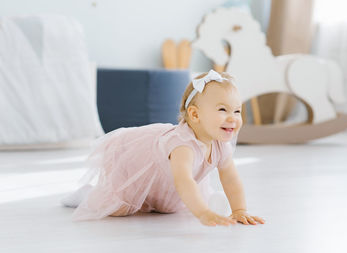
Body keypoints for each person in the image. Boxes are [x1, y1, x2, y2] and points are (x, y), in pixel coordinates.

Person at [62, 70, 265, 226]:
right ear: (195, 115)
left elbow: (230, 178)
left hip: (165, 184)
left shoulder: (221, 145)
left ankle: (207, 200)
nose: (233, 118)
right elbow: (183, 179)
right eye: (223, 110)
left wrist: (239, 210)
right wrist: (202, 213)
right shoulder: (182, 145)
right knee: (119, 208)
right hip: (137, 168)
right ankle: (87, 194)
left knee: (171, 208)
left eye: (237, 111)